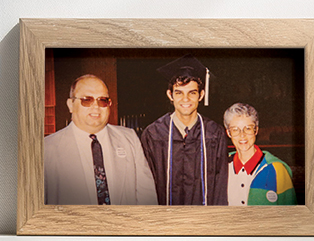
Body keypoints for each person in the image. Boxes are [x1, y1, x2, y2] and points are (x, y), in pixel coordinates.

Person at [45, 74, 158, 205]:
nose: (96, 106)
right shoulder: (47, 149)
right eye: (87, 100)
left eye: (102, 100)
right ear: (70, 105)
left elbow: (147, 196)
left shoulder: (130, 139)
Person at [141, 54, 228, 206]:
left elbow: (220, 186)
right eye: (179, 93)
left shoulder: (214, 134)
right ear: (170, 95)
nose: (185, 99)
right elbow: (144, 186)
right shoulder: (153, 134)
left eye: (192, 93)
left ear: (201, 95)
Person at [223, 102, 297, 206]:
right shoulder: (222, 167)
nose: (242, 135)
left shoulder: (277, 169)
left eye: (248, 128)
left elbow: (291, 214)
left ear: (256, 130)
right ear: (228, 133)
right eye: (235, 130)